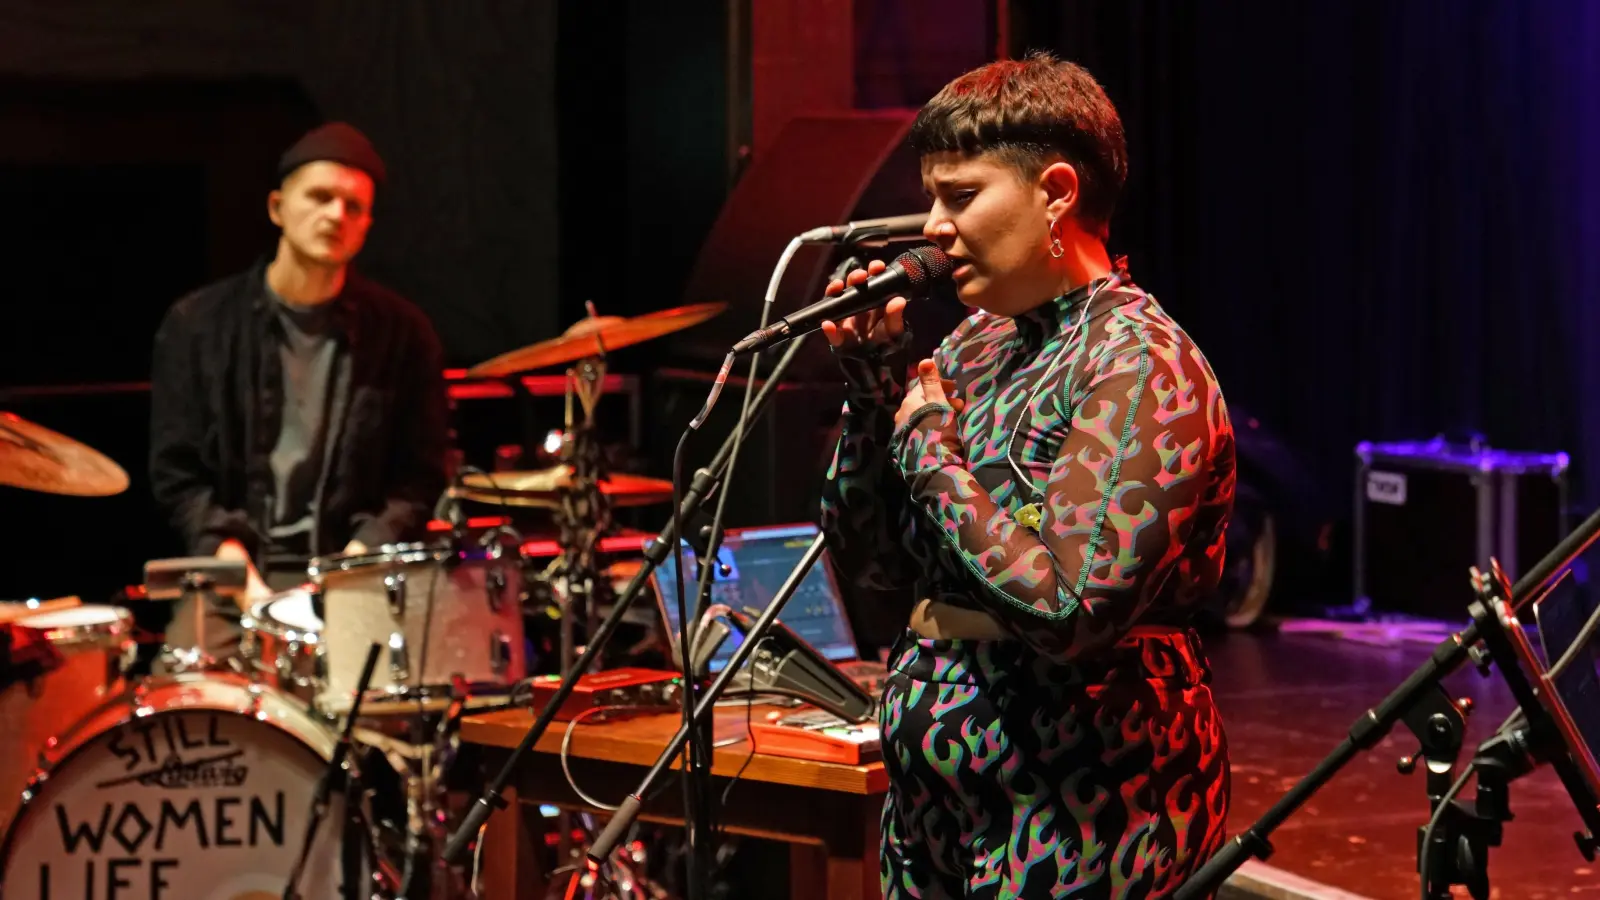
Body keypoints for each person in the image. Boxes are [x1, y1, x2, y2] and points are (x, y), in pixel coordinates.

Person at [819, 53, 1235, 899]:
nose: (933, 226)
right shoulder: (974, 345)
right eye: (932, 196)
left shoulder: (1141, 362)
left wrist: (927, 442)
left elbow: (1069, 609)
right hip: (938, 787)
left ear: (1055, 192)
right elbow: (871, 568)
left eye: (960, 195)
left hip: (1084, 792)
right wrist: (872, 396)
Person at [149, 122, 449, 658]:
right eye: (320, 197)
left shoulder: (403, 334)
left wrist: (352, 568)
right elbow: (179, 477)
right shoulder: (197, 325)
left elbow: (418, 479)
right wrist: (244, 584)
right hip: (231, 573)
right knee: (194, 702)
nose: (336, 215)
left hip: (353, 571)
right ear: (276, 207)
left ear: (367, 226)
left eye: (354, 207)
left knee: (390, 709)